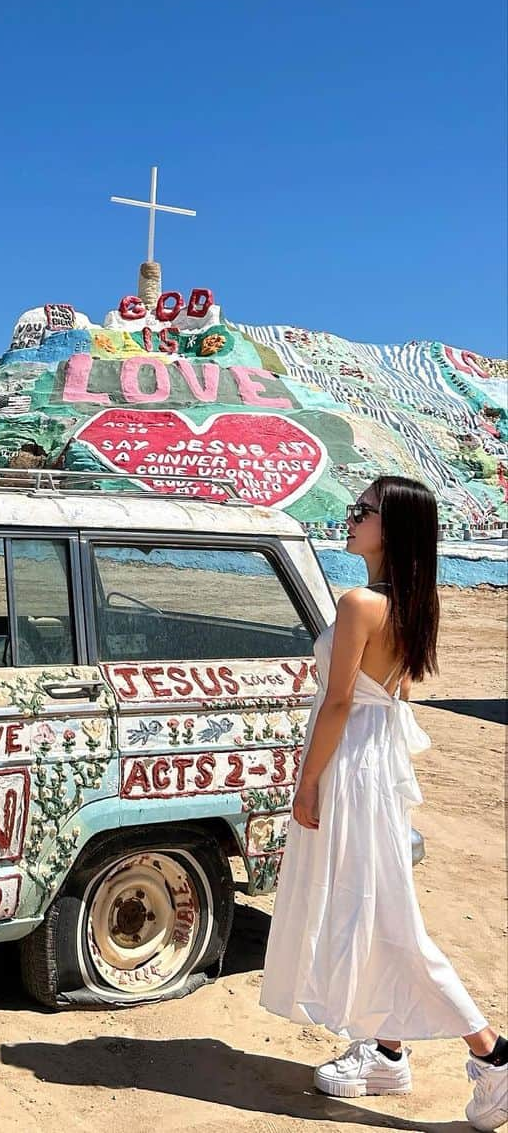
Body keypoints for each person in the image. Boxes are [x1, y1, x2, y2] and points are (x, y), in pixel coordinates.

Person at [260, 475, 506, 1130]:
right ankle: (388, 1051)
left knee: (387, 921)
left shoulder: (360, 602)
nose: (350, 518)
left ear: (391, 526)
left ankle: (493, 1053)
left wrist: (308, 781)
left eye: (362, 510)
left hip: (350, 768)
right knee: (369, 911)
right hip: (371, 765)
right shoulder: (411, 602)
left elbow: (339, 701)